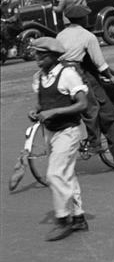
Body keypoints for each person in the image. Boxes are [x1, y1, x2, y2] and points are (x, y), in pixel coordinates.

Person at [56, 3, 114, 164]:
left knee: (112, 99)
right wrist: (111, 76)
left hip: (62, 74)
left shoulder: (61, 35)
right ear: (83, 18)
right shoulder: (88, 36)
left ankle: (113, 135)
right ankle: (97, 143)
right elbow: (100, 64)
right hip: (79, 75)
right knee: (96, 109)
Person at [30, 37, 90, 240]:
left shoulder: (68, 75)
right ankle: (79, 217)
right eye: (36, 54)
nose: (37, 58)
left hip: (68, 131)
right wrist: (36, 111)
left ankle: (62, 218)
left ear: (53, 57)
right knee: (67, 174)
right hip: (50, 132)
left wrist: (55, 111)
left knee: (55, 174)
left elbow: (82, 104)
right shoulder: (39, 77)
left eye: (41, 55)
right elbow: (42, 103)